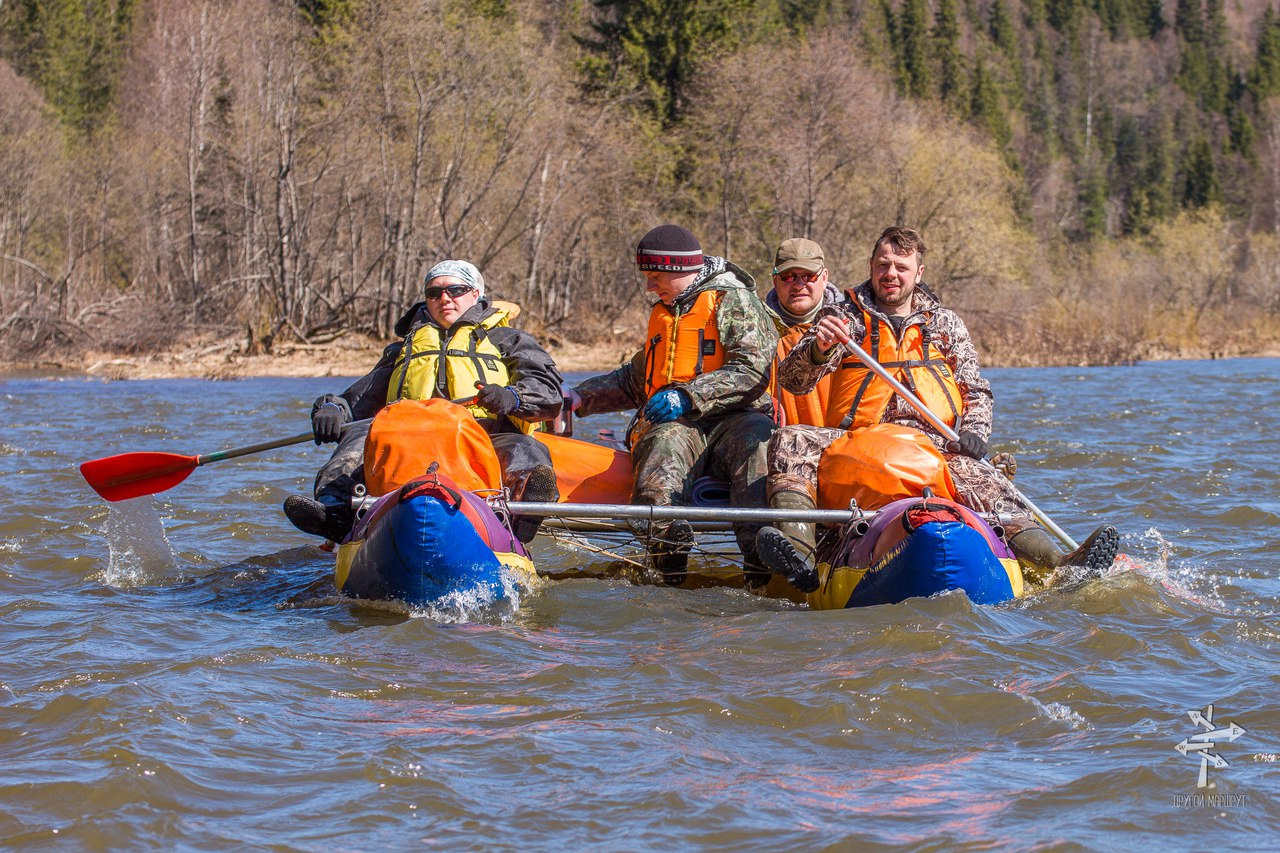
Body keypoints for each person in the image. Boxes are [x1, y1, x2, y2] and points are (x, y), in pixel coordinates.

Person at [757, 226, 1119, 589]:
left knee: (987, 481)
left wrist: (975, 432)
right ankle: (798, 555)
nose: (891, 274)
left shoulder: (945, 324)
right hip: (858, 440)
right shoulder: (843, 316)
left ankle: (1061, 564)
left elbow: (976, 390)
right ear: (871, 266)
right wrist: (818, 350)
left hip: (934, 444)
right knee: (790, 439)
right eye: (883, 265)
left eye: (901, 266)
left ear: (919, 272)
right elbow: (793, 380)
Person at [283, 259, 564, 544]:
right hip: (409, 438)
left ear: (476, 294)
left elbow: (548, 393)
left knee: (527, 447)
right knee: (359, 434)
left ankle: (521, 519)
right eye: (434, 292)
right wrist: (331, 409)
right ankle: (335, 515)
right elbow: (358, 399)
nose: (445, 298)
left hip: (484, 436)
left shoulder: (509, 339)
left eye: (456, 289)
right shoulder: (403, 349)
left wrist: (511, 397)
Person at [567, 225, 778, 583]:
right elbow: (634, 379)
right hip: (681, 426)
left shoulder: (734, 300)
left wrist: (689, 394)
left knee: (757, 444)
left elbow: (751, 369)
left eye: (656, 276)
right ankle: (668, 551)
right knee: (660, 442)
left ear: (682, 270)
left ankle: (761, 561)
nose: (650, 287)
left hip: (737, 418)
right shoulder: (665, 314)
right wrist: (580, 397)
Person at [764, 237, 842, 427]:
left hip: (841, 444)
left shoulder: (852, 325)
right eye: (788, 277)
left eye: (808, 276)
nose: (799, 285)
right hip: (779, 447)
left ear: (824, 278)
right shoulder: (758, 329)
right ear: (775, 280)